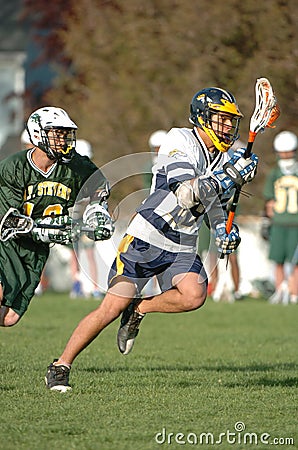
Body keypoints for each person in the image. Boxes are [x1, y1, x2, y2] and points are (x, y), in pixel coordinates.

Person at [45, 87, 258, 392]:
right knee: (110, 308)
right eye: (221, 119)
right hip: (147, 236)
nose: (227, 127)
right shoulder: (180, 140)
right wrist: (230, 176)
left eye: (230, 121)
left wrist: (225, 231)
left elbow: (215, 203)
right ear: (202, 118)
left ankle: (140, 309)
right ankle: (61, 365)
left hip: (183, 242)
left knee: (194, 295)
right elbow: (187, 193)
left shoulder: (222, 158)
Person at [0, 106, 114, 327]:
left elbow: (100, 185)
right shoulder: (14, 167)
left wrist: (97, 210)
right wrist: (49, 227)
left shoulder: (76, 165)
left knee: (9, 317)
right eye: (57, 134)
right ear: (37, 134)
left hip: (36, 250)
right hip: (6, 243)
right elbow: (8, 223)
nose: (63, 140)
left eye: (65, 134)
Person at [263, 130, 298, 305]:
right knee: (278, 260)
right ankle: (279, 290)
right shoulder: (274, 173)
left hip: (295, 223)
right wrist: (267, 220)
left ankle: (294, 292)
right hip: (279, 223)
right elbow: (269, 202)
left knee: (295, 261)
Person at [68, 139, 102, 298]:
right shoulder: (70, 173)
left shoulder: (92, 173)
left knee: (89, 253)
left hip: (87, 218)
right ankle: (76, 284)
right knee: (74, 253)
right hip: (74, 218)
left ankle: (95, 287)